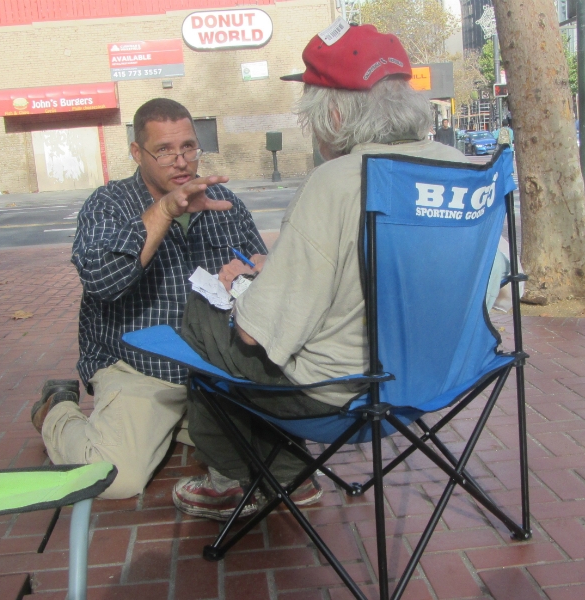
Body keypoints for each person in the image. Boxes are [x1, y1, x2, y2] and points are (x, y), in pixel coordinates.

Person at [171, 23, 488, 522]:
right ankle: (279, 470)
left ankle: (235, 479)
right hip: (441, 380)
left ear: (335, 114)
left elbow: (255, 334)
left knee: (206, 313)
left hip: (341, 399)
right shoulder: (461, 168)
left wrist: (246, 287)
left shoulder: (337, 182)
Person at [31, 98, 267, 499]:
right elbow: (103, 281)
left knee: (276, 446)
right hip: (137, 367)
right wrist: (163, 212)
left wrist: (259, 269)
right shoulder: (108, 204)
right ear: (137, 152)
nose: (180, 161)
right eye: (164, 150)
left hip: (213, 367)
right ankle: (56, 408)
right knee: (116, 479)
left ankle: (174, 422)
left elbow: (259, 269)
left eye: (189, 147)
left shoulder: (223, 203)